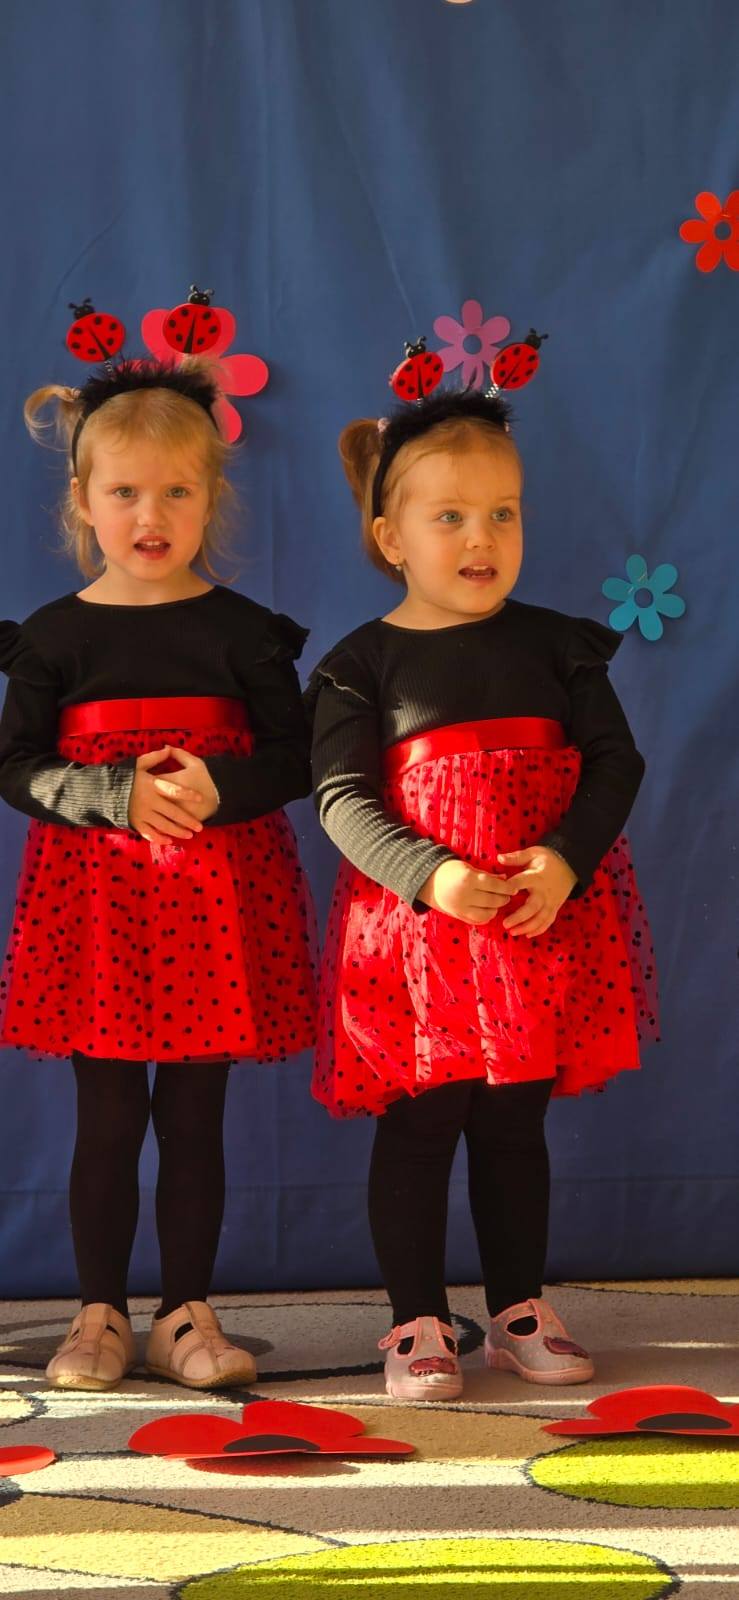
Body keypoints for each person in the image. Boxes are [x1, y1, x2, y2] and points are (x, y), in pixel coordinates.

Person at [307, 387, 659, 1401]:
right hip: (418, 940)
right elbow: (339, 797)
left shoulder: (557, 646)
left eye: (503, 512)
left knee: (513, 1125)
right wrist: (430, 875)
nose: (482, 537)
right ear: (392, 537)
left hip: (533, 925)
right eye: (451, 515)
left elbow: (614, 762)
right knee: (421, 1126)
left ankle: (517, 1309)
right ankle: (416, 1319)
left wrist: (565, 859)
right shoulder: (359, 665)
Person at [0, 355, 317, 1392]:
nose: (151, 513)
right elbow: (15, 765)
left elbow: (296, 758)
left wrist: (220, 788)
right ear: (82, 500)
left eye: (177, 490)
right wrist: (111, 794)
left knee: (192, 1118)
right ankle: (99, 1313)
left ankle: (186, 1312)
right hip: (95, 908)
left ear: (211, 498)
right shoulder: (53, 638)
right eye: (126, 491)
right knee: (107, 1118)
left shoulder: (242, 633)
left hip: (213, 910)